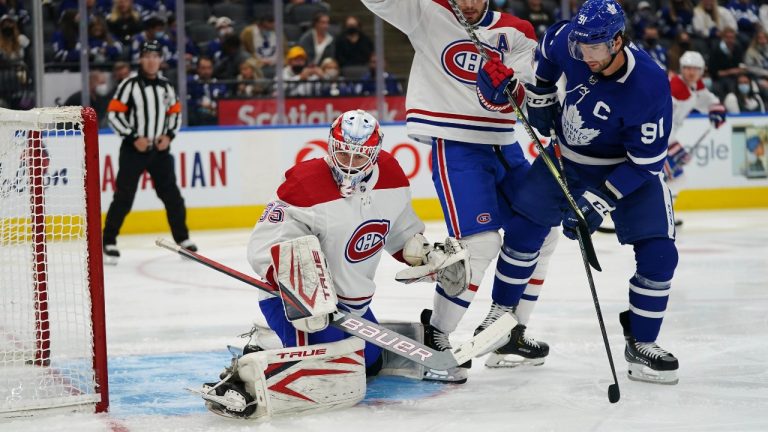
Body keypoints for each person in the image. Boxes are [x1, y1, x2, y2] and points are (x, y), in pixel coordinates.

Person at [197, 110, 471, 419]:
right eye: (343, 153)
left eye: (360, 156)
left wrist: (426, 256)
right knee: (327, 379)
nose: (350, 164)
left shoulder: (392, 176)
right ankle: (251, 365)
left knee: (371, 364)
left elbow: (399, 231)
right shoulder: (304, 183)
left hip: (351, 307)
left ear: (376, 152)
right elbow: (264, 245)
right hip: (297, 306)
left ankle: (269, 341)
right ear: (331, 145)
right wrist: (302, 288)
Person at [362, 0, 558, 379]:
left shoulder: (518, 31)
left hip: (505, 144)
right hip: (455, 144)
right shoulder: (426, 12)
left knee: (544, 231)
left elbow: (525, 98)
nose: (467, 4)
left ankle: (510, 330)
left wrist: (506, 90)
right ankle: (437, 333)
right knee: (479, 244)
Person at [491, 0, 680, 384]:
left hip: (626, 168)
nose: (585, 55)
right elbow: (548, 49)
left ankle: (642, 343)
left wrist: (600, 200)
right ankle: (503, 324)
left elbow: (646, 162)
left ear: (617, 41)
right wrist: (542, 92)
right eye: (582, 48)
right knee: (524, 231)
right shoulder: (569, 39)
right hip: (568, 158)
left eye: (595, 48)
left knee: (660, 255)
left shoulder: (649, 83)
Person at [104, 41, 196, 264]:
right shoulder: (129, 85)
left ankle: (182, 240)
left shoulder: (166, 86)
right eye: (147, 56)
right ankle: (108, 241)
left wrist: (169, 136)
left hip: (160, 151)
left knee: (172, 196)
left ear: (160, 60)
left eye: (156, 56)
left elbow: (175, 113)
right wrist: (133, 137)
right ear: (141, 60)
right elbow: (114, 115)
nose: (152, 60)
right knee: (124, 196)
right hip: (134, 150)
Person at [664, 51, 726, 226]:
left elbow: (706, 99)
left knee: (675, 179)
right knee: (674, 179)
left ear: (701, 71)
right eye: (688, 68)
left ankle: (664, 215)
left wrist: (716, 109)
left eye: (696, 69)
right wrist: (675, 148)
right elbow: (661, 122)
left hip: (666, 140)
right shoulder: (675, 89)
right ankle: (658, 215)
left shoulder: (693, 85)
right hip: (658, 141)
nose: (691, 73)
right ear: (682, 69)